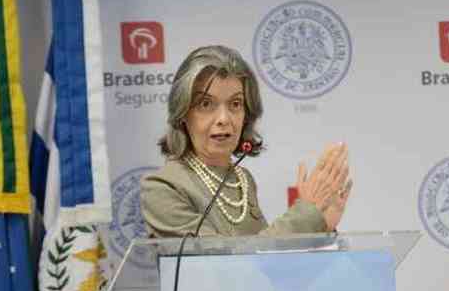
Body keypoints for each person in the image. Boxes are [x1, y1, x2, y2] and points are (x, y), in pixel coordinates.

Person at [140, 45, 352, 238]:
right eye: (206, 103)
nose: (224, 119)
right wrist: (306, 214)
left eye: (235, 103)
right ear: (183, 113)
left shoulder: (242, 179)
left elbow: (266, 271)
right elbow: (222, 265)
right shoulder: (163, 188)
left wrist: (321, 224)